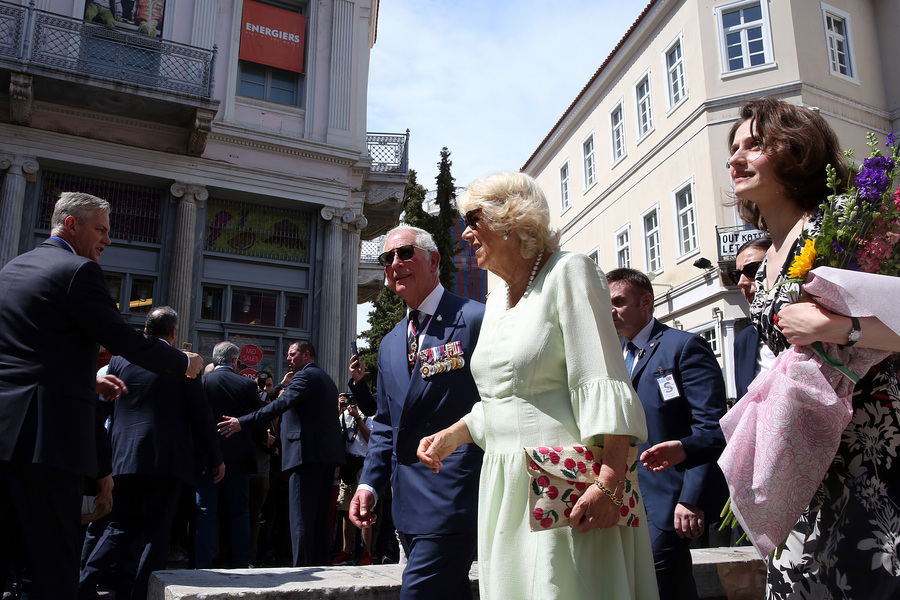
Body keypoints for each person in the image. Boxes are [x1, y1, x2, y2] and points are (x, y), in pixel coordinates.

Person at [418, 172, 658, 600]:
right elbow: (504, 395)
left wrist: (609, 484)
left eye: (473, 219)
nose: (466, 233)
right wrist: (452, 436)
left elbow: (603, 376)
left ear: (510, 220)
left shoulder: (570, 270)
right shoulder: (496, 298)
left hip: (566, 488)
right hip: (505, 485)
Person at [726, 97, 900, 599]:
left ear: (795, 150)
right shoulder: (766, 257)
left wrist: (837, 327)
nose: (736, 158)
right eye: (734, 148)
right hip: (802, 449)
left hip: (868, 445)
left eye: (754, 145)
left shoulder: (841, 222)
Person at [0, 192, 203, 600]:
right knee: (54, 565)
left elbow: (30, 353)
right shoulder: (78, 271)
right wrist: (181, 361)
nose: (107, 240)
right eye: (101, 230)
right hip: (48, 442)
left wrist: (86, 381)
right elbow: (120, 336)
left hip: (7, 436)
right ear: (71, 225)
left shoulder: (12, 268)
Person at [347, 225, 484, 599]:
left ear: (434, 261)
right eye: (387, 257)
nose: (395, 263)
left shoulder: (474, 319)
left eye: (405, 253)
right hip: (405, 503)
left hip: (455, 493)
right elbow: (386, 424)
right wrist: (368, 484)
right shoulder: (390, 342)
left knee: (419, 592)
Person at [78, 307, 224, 600]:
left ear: (145, 330)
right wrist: (215, 458)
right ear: (174, 333)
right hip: (165, 460)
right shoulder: (183, 363)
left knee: (120, 526)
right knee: (157, 534)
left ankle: (84, 582)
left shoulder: (120, 360)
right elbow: (200, 414)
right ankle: (140, 594)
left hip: (124, 457)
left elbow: (103, 405)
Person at [606, 267, 727, 600]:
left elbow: (710, 428)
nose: (611, 311)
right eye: (606, 304)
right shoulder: (616, 356)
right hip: (628, 498)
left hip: (671, 499)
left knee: (661, 586)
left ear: (646, 302)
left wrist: (691, 498)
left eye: (619, 301)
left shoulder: (683, 347)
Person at [218, 341, 345, 567]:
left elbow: (279, 406)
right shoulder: (325, 378)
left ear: (307, 355)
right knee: (318, 520)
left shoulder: (304, 377)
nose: (288, 358)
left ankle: (302, 571)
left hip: (306, 457)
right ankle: (319, 567)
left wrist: (242, 422)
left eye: (292, 354)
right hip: (324, 457)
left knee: (301, 520)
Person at [196, 341, 262, 569]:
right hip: (238, 459)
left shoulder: (203, 382)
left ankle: (202, 564)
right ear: (234, 361)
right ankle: (240, 561)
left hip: (207, 458)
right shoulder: (247, 385)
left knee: (205, 511)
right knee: (239, 512)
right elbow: (256, 420)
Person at [331, 392, 374, 566]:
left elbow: (371, 440)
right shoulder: (344, 415)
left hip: (363, 464)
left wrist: (358, 418)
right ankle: (346, 551)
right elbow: (336, 435)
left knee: (364, 510)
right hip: (347, 465)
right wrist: (339, 410)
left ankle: (367, 553)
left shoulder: (370, 416)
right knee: (345, 510)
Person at [730, 236, 774, 402]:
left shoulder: (815, 326)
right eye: (736, 275)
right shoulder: (744, 340)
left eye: (753, 270)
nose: (741, 282)